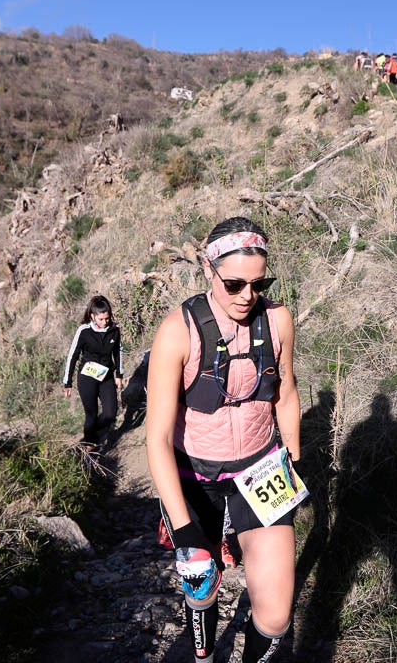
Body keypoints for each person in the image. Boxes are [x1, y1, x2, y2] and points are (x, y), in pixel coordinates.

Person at [145, 217, 301, 663]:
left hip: (262, 469)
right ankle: (205, 655)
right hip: (194, 476)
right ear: (208, 271)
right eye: (233, 284)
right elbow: (155, 438)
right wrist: (184, 529)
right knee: (201, 587)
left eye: (258, 283)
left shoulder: (277, 320)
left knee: (274, 615)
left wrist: (293, 459)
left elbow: (287, 395)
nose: (247, 295)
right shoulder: (178, 331)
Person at [63, 295, 124, 449]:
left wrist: (119, 375)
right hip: (87, 377)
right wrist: (67, 382)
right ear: (93, 316)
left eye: (107, 318)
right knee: (91, 413)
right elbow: (73, 355)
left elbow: (118, 352)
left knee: (110, 413)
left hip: (106, 376)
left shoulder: (115, 330)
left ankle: (91, 434)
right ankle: (89, 446)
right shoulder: (84, 331)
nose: (105, 322)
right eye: (101, 319)